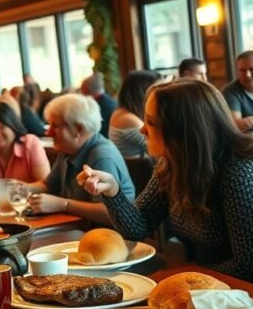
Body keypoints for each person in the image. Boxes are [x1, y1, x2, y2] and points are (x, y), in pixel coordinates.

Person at [78, 79, 253, 285]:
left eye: (150, 122)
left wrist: (184, 277)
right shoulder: (173, 165)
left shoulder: (244, 173)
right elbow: (138, 227)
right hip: (208, 282)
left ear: (182, 129)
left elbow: (251, 265)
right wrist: (113, 192)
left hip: (251, 295)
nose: (142, 130)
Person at [27, 94, 135, 225]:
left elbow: (107, 212)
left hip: (106, 236)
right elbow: (47, 185)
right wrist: (16, 188)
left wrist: (64, 204)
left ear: (79, 129)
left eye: (54, 126)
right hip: (78, 229)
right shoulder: (67, 149)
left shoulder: (102, 155)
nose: (48, 132)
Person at [108, 70, 161, 158]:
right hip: (138, 170)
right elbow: (159, 149)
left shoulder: (120, 112)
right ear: (144, 92)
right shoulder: (128, 119)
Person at [81, 72, 116, 137]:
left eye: (82, 88)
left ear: (88, 89)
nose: (80, 92)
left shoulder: (101, 106)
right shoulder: (109, 101)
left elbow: (98, 132)